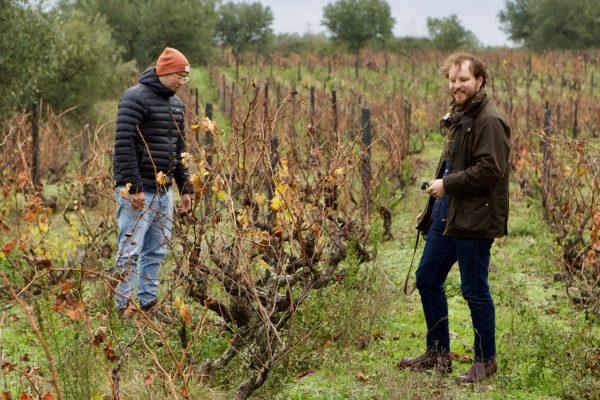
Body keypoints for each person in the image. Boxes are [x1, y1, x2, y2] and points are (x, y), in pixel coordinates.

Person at [398, 52, 511, 382]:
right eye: (452, 79)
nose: (456, 85)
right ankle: (437, 353)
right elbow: (451, 165)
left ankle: (485, 360)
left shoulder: (489, 119)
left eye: (463, 79)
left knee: (474, 289)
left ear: (479, 80)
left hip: (475, 217)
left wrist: (446, 186)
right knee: (427, 278)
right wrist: (433, 208)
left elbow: (490, 170)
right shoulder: (461, 115)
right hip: (447, 213)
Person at [112, 47, 194, 322]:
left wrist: (185, 187)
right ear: (164, 71)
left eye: (185, 77)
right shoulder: (134, 98)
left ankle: (148, 305)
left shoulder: (176, 105)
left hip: (163, 191)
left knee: (157, 251)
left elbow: (179, 150)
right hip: (137, 190)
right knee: (129, 251)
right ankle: (123, 307)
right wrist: (133, 187)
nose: (182, 81)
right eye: (178, 75)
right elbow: (124, 144)